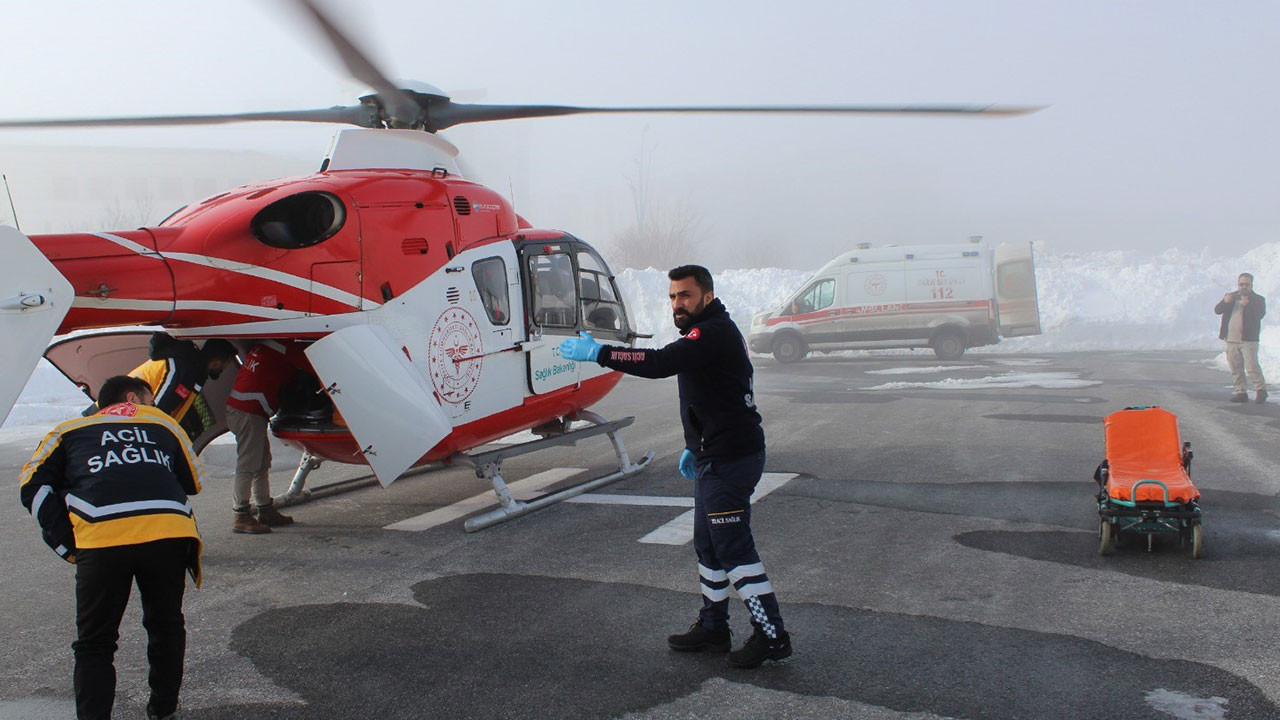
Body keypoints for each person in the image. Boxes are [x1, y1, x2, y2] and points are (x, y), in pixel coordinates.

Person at [560, 264, 792, 668]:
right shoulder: (704, 334)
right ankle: (714, 627)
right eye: (671, 296)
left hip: (731, 458)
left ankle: (772, 636)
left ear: (706, 295)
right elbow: (705, 397)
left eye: (685, 295)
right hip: (711, 455)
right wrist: (692, 445)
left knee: (733, 548)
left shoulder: (712, 331)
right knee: (708, 546)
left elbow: (660, 362)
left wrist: (600, 353)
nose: (677, 303)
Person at [19, 375, 203, 720]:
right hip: (167, 531)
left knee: (95, 642)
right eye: (149, 401)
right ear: (133, 400)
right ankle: (163, 710)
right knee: (165, 625)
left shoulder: (68, 430)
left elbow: (33, 485)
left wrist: (67, 543)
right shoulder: (162, 423)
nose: (152, 408)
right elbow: (195, 481)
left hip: (102, 537)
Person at [224, 340, 312, 534]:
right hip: (248, 412)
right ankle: (241, 515)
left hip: (243, 409)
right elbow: (314, 366)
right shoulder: (290, 347)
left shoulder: (266, 342)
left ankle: (265, 508)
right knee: (248, 465)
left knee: (261, 463)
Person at [129, 333, 239, 441]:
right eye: (226, 363)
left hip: (132, 423)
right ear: (217, 363)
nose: (224, 369)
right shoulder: (183, 371)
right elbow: (159, 410)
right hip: (130, 425)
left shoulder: (191, 371)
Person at [1214, 272, 1267, 403]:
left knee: (1251, 366)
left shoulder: (1258, 299)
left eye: (1246, 284)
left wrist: (1248, 304)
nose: (1243, 287)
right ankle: (1241, 391)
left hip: (1249, 340)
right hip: (1231, 339)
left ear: (1251, 285)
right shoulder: (1231, 297)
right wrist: (1224, 302)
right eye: (1241, 284)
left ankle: (1260, 390)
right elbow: (1217, 310)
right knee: (1235, 367)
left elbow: (1260, 314)